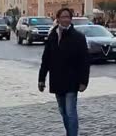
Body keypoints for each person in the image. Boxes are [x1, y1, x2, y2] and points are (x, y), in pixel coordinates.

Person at [38, 8, 90, 136]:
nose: (66, 19)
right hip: (57, 80)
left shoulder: (78, 37)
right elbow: (46, 59)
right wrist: (41, 79)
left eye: (68, 17)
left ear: (71, 19)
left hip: (72, 81)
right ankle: (69, 133)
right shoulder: (53, 36)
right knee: (63, 111)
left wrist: (83, 81)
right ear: (58, 19)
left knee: (71, 112)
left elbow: (84, 61)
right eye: (63, 17)